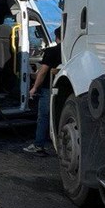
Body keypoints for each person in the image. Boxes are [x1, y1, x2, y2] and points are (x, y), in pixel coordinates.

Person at [25, 27, 62, 155]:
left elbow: (44, 71)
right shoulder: (71, 51)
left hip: (49, 88)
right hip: (64, 90)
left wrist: (34, 88)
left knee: (43, 117)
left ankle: (38, 145)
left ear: (57, 37)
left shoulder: (52, 51)